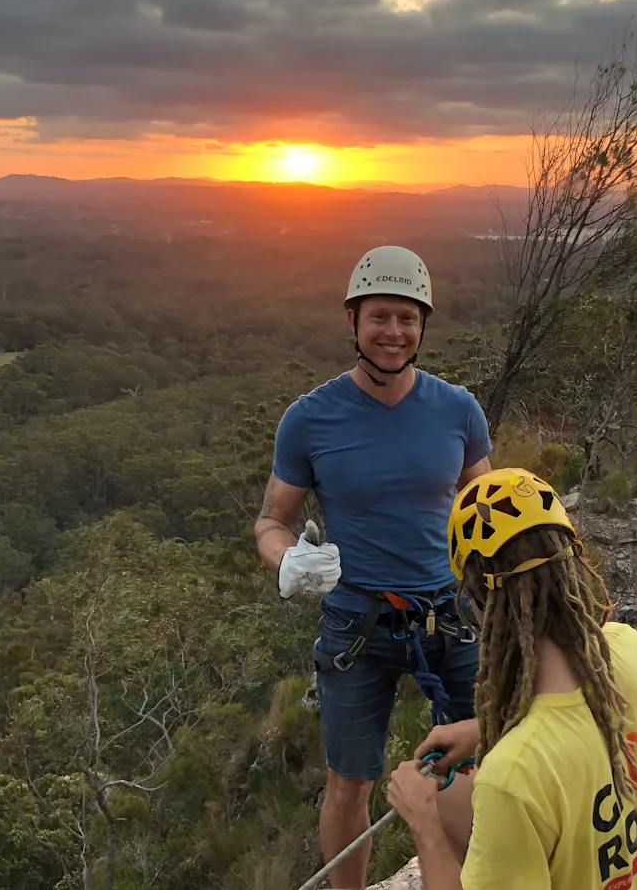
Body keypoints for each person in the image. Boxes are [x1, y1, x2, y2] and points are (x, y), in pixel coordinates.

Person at [254, 245, 493, 890]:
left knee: (476, 763)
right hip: (357, 621)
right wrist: (289, 561)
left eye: (408, 319)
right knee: (348, 782)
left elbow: (487, 508)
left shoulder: (458, 410)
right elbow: (272, 519)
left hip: (449, 615)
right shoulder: (309, 419)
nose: (394, 332)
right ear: (353, 321)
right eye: (380, 317)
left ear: (423, 326)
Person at [385, 467, 637, 890]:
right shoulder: (628, 648)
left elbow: (540, 756)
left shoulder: (512, 778)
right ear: (573, 565)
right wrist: (482, 731)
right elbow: (575, 729)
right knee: (455, 797)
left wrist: (423, 824)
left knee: (444, 802)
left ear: (476, 603)